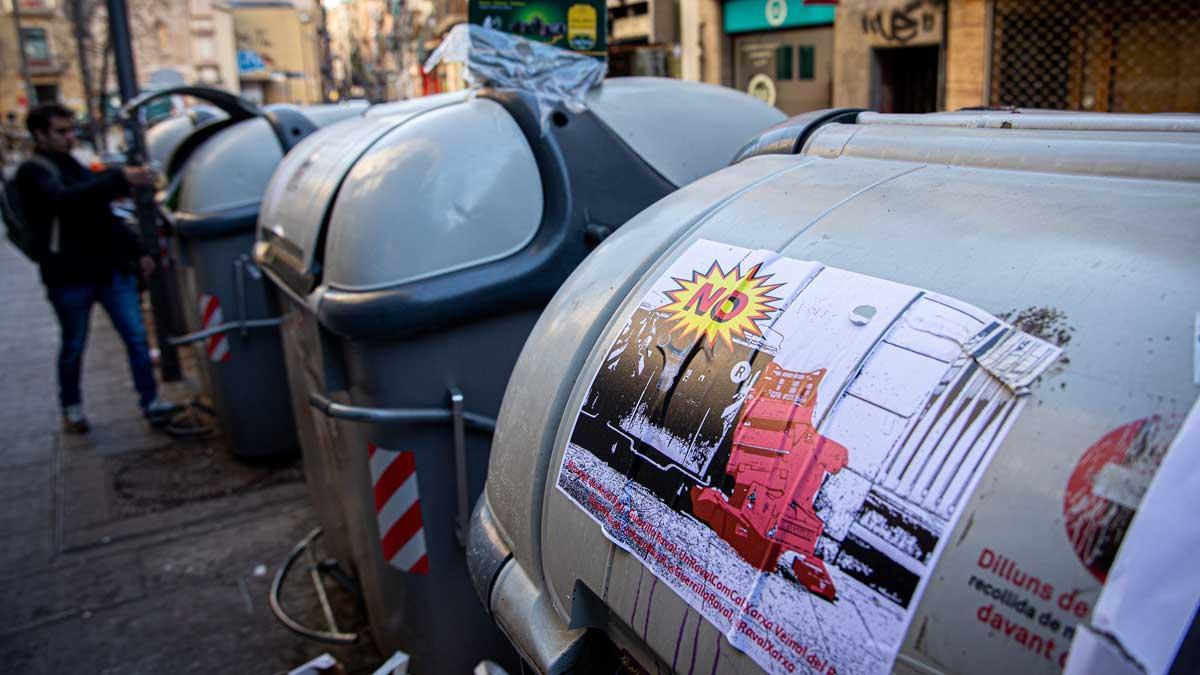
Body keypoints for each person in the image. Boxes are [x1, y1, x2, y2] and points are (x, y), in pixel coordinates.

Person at [16, 103, 180, 433]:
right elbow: (65, 199)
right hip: (69, 277)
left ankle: (151, 403)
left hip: (108, 271)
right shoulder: (34, 172)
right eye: (60, 132)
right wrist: (118, 177)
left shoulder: (72, 164)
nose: (69, 137)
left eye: (70, 130)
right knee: (74, 344)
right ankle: (72, 407)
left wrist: (137, 252)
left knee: (135, 337)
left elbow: (101, 215)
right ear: (39, 134)